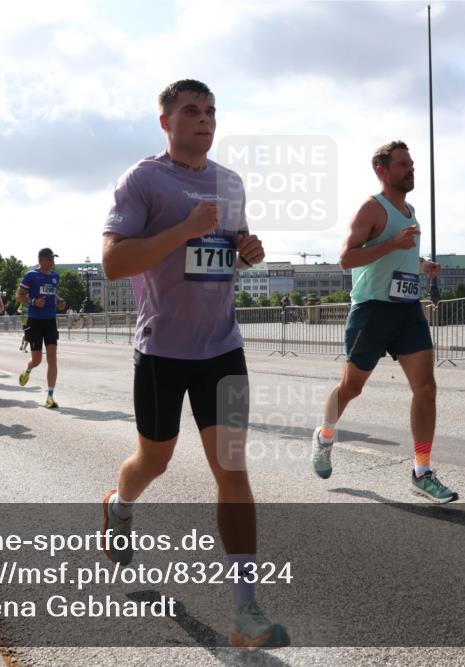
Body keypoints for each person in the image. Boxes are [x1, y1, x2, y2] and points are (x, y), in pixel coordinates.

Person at [100, 79, 288, 648]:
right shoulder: (143, 179)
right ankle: (119, 504)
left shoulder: (229, 183)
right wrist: (182, 229)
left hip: (222, 349)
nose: (204, 119)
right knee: (153, 461)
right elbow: (112, 262)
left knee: (232, 470)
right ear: (165, 121)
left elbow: (231, 247)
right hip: (161, 349)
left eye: (211, 111)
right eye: (191, 111)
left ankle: (245, 609)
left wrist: (248, 250)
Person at [311, 140, 457, 504]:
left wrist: (421, 265)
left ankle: (421, 472)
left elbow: (401, 248)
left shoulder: (409, 210)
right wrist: (392, 245)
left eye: (412, 164)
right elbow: (347, 258)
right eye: (403, 164)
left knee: (426, 388)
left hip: (407, 310)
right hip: (372, 311)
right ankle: (325, 434)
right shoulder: (371, 209)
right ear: (382, 170)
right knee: (351, 388)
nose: (411, 169)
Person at [17, 249, 65, 408]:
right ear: (41, 260)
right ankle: (28, 369)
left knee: (53, 359)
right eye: (50, 259)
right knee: (37, 360)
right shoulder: (31, 275)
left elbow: (52, 294)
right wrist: (33, 302)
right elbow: (19, 296)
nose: (53, 262)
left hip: (50, 321)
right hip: (35, 321)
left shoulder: (55, 277)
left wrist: (59, 301)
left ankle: (50, 396)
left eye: (53, 259)